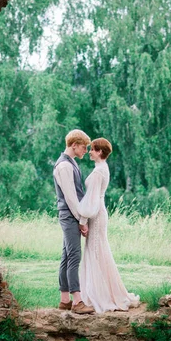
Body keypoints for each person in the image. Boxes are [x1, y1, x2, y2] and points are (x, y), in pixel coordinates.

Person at [78, 138, 140, 313]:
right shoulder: (101, 168)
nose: (89, 151)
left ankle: (99, 295)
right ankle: (99, 291)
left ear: (99, 152)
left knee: (96, 252)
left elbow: (91, 199)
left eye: (92, 149)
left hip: (96, 214)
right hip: (99, 212)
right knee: (97, 252)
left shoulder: (99, 172)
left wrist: (82, 220)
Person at [53, 129, 95, 314]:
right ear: (74, 145)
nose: (86, 150)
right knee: (74, 257)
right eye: (84, 147)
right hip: (70, 215)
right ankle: (77, 301)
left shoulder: (70, 163)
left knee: (67, 256)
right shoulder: (65, 166)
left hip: (70, 215)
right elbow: (71, 198)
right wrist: (81, 220)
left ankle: (64, 300)